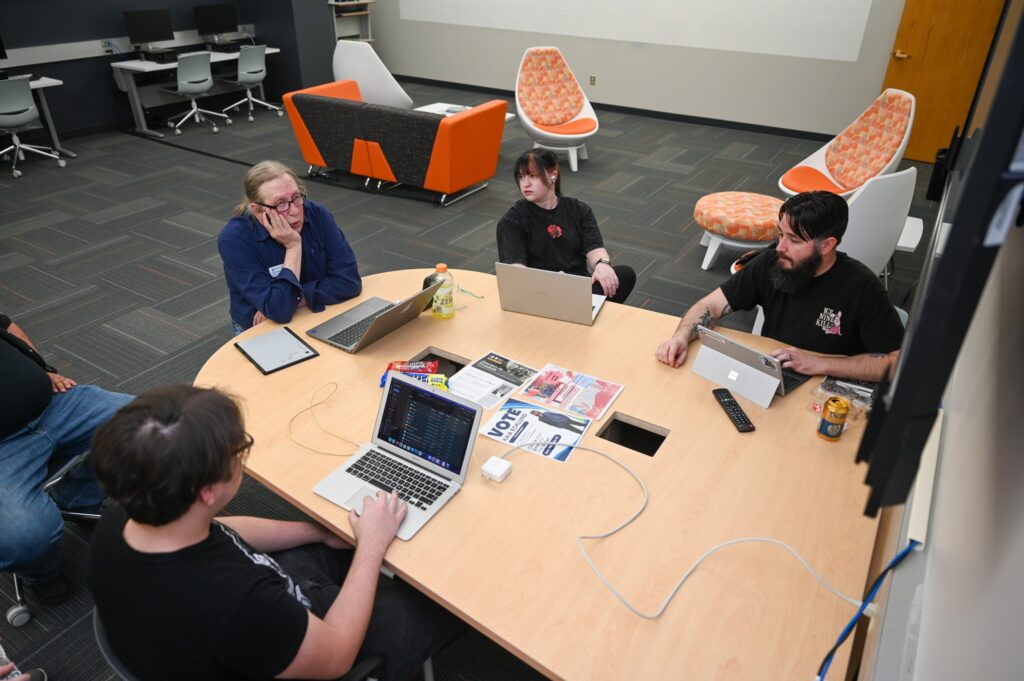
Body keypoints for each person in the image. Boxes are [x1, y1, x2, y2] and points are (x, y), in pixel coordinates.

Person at [87, 385, 463, 681]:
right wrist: (371, 545)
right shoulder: (237, 605)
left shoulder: (124, 514)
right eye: (237, 453)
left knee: (343, 541)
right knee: (444, 597)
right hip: (323, 654)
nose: (241, 459)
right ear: (207, 492)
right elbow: (337, 656)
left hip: (245, 630)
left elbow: (224, 530)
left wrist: (314, 531)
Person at [656, 191, 904, 381]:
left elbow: (897, 363)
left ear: (827, 246)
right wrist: (682, 335)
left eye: (794, 240)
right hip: (776, 375)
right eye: (780, 234)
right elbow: (711, 304)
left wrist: (820, 363)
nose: (780, 247)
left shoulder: (861, 287)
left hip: (828, 385)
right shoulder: (771, 262)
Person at [0, 314, 132, 605]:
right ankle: (40, 572)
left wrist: (42, 368)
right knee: (24, 536)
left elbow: (7, 327)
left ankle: (77, 497)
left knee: (155, 422)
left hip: (52, 405)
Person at [219, 160, 362, 334]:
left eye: (296, 197)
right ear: (258, 210)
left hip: (316, 313)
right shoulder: (235, 238)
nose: (294, 210)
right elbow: (279, 311)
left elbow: (349, 282)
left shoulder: (317, 214)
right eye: (280, 204)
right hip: (261, 327)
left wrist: (296, 299)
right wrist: (293, 247)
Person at [497, 149, 636, 304]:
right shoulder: (513, 219)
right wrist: (552, 282)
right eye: (521, 177)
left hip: (579, 286)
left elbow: (595, 249)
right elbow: (515, 273)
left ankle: (581, 307)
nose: (525, 183)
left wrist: (602, 264)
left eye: (533, 176)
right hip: (541, 292)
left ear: (553, 176)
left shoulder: (579, 209)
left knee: (623, 275)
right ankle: (582, 310)